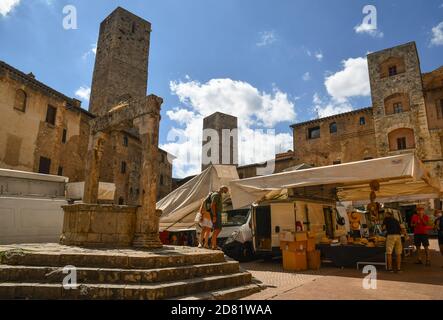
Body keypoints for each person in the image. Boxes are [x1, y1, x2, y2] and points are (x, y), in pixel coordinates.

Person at [210, 185, 229, 250]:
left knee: (218, 229)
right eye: (225, 191)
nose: (225, 192)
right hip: (216, 214)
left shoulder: (218, 195)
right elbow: (212, 205)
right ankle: (213, 245)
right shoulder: (216, 195)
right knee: (217, 229)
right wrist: (214, 216)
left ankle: (214, 245)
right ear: (222, 189)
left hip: (218, 213)